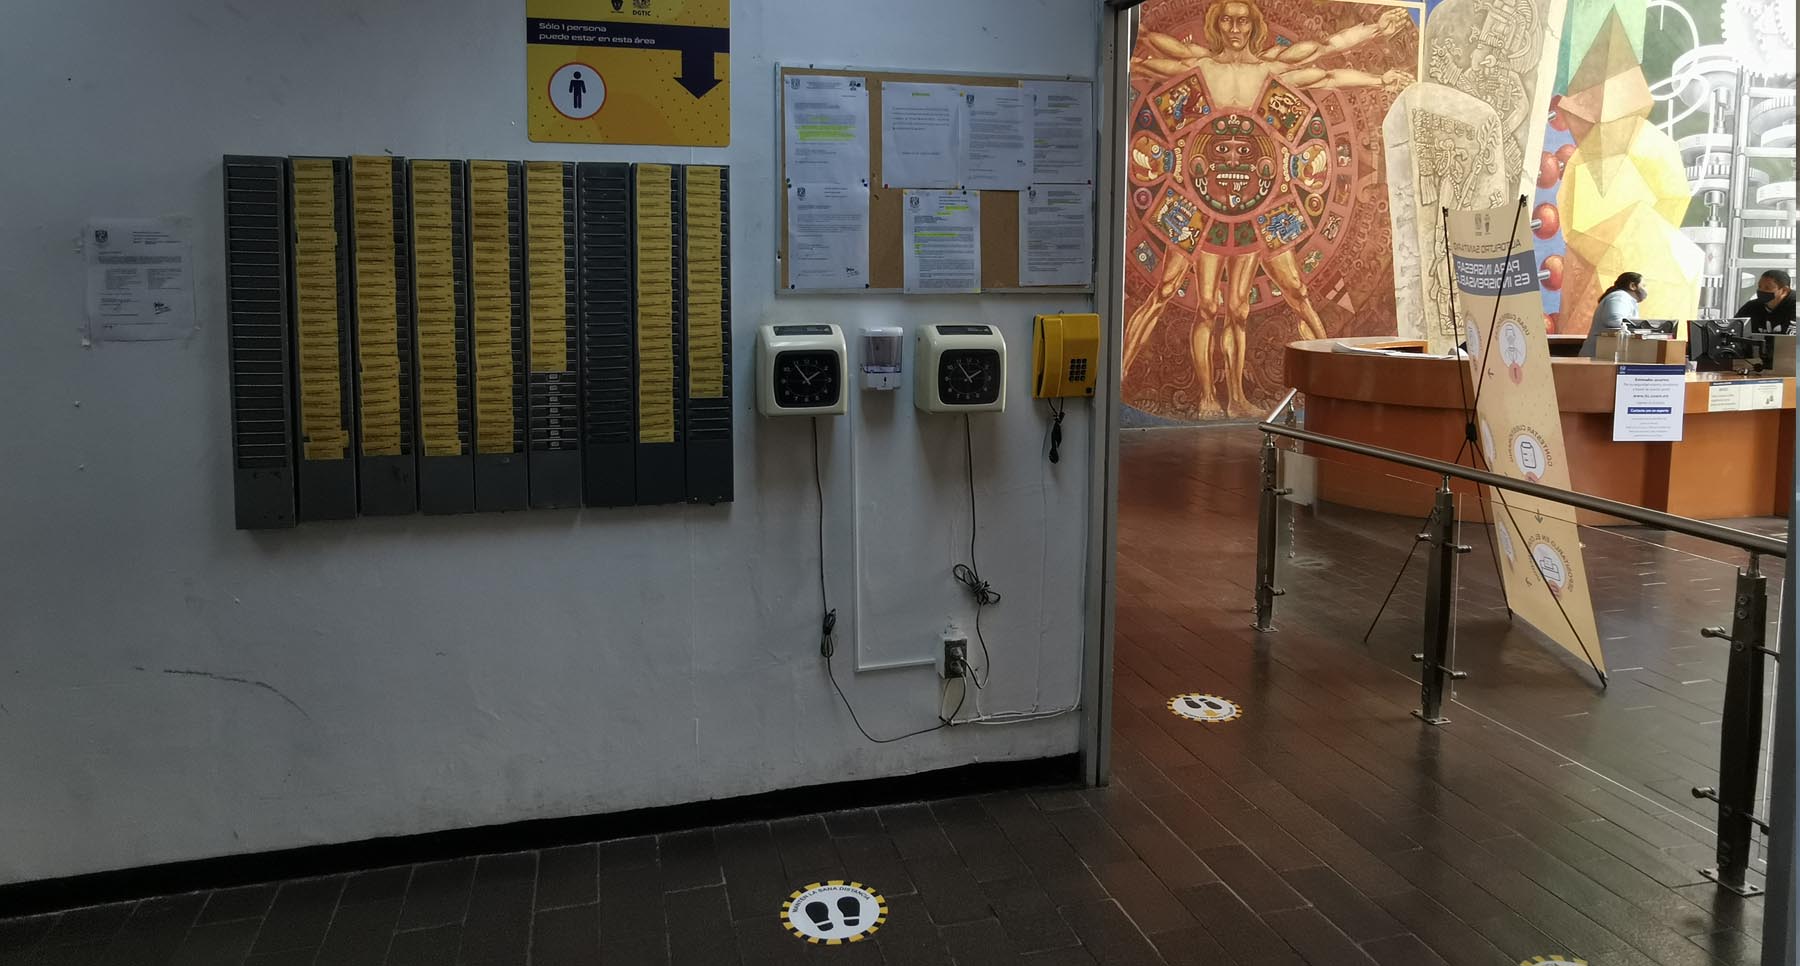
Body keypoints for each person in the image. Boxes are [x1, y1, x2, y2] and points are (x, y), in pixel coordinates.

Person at [1580, 271, 1645, 358]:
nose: (1646, 289)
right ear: (1632, 286)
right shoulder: (1620, 297)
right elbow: (1614, 320)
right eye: (1643, 285)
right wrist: (1643, 328)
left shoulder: (1626, 299)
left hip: (1604, 355)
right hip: (1598, 356)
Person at [1735, 269, 1795, 333]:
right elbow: (1733, 329)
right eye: (1759, 286)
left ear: (1784, 291)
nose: (1761, 290)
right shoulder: (1751, 307)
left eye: (1767, 288)